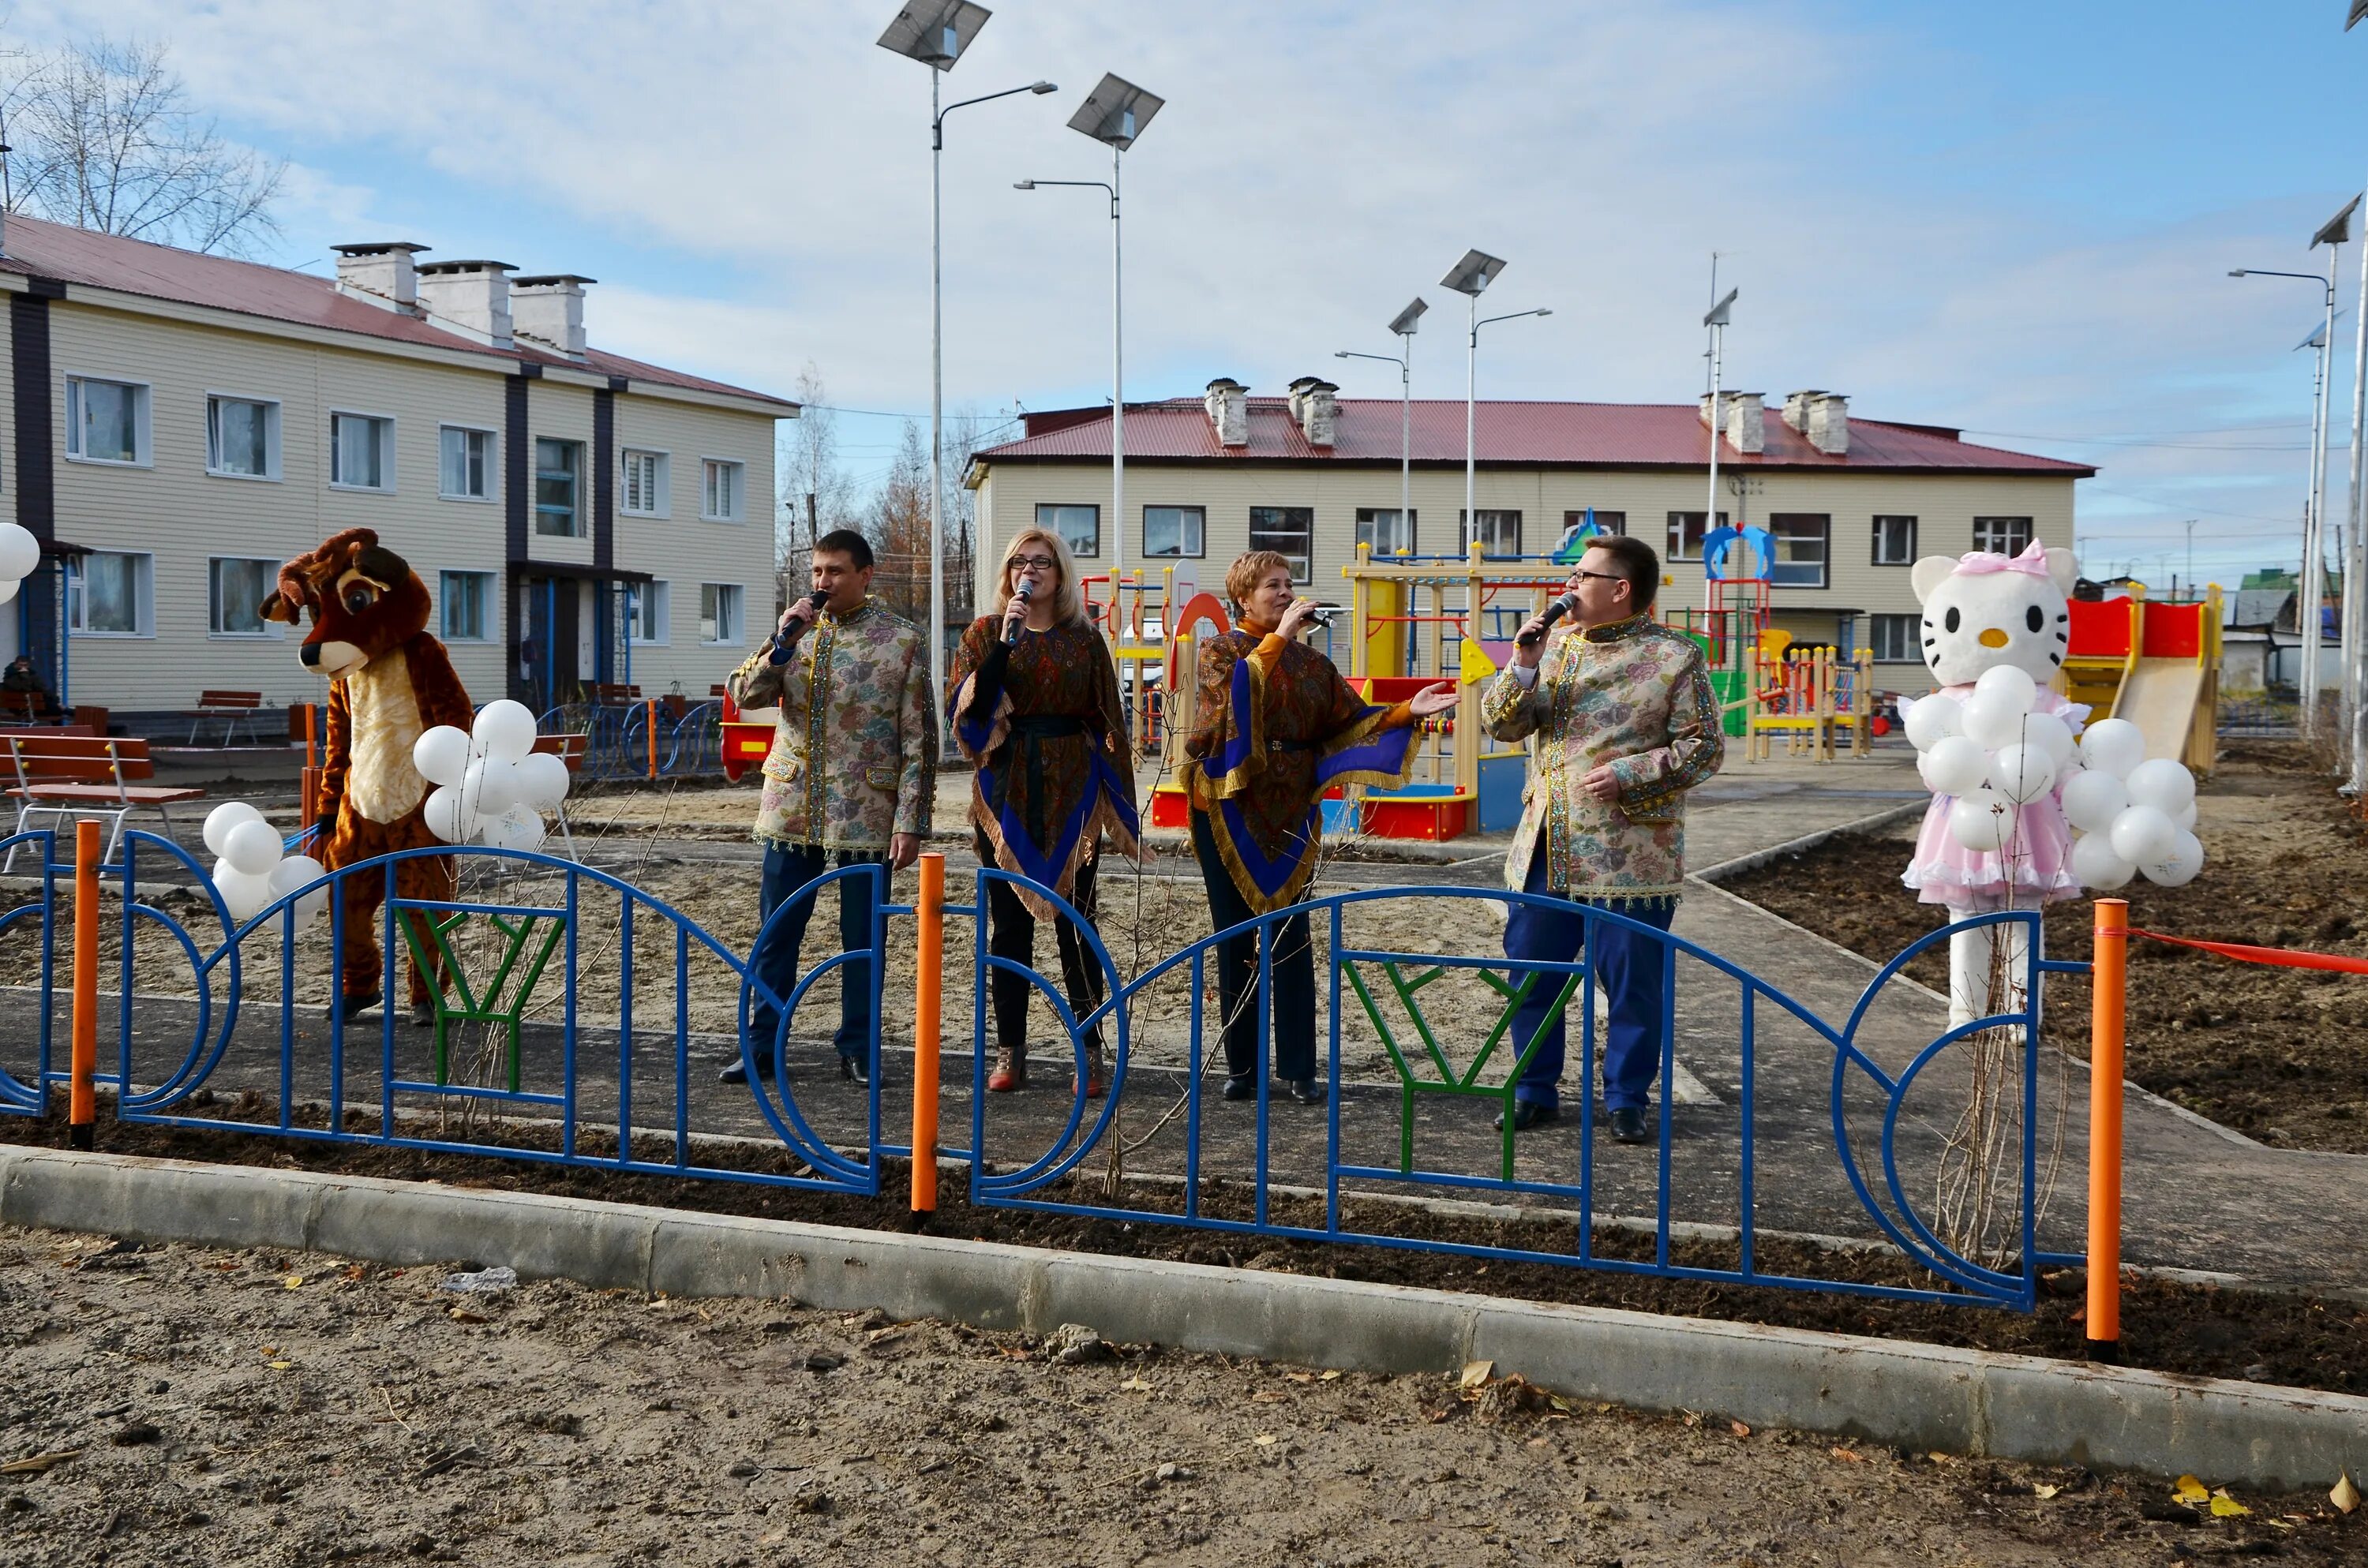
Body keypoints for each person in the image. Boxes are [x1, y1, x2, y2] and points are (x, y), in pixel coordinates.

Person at [1182, 551, 1455, 1105]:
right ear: (1244, 599)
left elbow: (1352, 721)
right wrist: (1278, 637)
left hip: (1293, 808)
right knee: (1235, 937)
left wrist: (1406, 711)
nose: (1285, 593)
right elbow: (1228, 709)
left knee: (1292, 936)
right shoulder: (1221, 649)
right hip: (1228, 807)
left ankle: (1300, 1068)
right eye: (1271, 586)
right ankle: (1244, 1068)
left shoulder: (1314, 666)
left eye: (1288, 583)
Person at [1485, 535, 1722, 1141]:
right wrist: (1524, 664)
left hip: (1633, 855)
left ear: (1620, 590)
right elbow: (1502, 725)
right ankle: (1534, 1089)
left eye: (1583, 574)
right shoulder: (1554, 650)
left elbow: (1706, 748)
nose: (1569, 584)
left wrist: (1631, 773)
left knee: (1632, 986)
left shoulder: (1676, 656)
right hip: (1547, 847)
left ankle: (1625, 1098)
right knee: (1534, 975)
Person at [722, 530, 936, 1087]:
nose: (823, 582)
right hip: (792, 807)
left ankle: (858, 1048)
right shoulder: (793, 632)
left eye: (835, 571)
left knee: (863, 937)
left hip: (867, 812)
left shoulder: (903, 641)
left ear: (866, 575)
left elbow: (919, 739)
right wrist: (784, 643)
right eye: (817, 571)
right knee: (776, 933)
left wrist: (912, 822)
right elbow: (743, 695)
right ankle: (763, 1047)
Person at [950, 529, 1141, 1098]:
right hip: (1005, 791)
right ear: (1007, 574)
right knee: (1007, 928)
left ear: (1060, 575)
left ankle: (1091, 1048)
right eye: (1018, 561)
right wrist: (1005, 646)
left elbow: (1111, 722)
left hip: (1072, 796)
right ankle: (1011, 1051)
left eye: (1041, 562)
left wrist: (1117, 795)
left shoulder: (1085, 641)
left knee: (1076, 924)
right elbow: (971, 717)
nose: (1028, 571)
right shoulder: (985, 633)